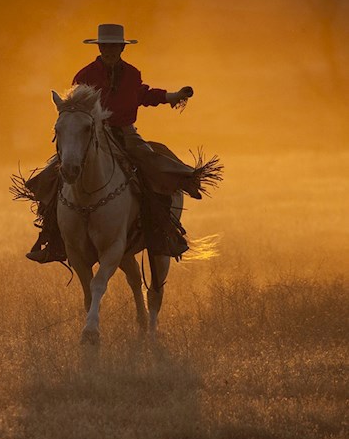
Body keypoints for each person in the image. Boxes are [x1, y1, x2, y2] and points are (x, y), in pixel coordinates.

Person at [23, 24, 212, 264]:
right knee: (51, 176)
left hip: (125, 133)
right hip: (91, 133)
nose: (110, 50)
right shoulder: (84, 75)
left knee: (151, 163)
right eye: (105, 46)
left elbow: (143, 95)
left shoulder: (132, 73)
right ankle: (50, 237)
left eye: (114, 46)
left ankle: (167, 229)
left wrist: (171, 97)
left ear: (122, 48)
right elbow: (75, 106)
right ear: (100, 48)